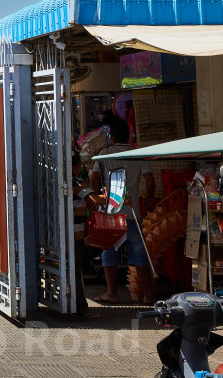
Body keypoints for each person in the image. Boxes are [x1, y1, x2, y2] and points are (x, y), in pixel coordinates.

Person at [90, 112, 156, 304]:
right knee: (139, 254)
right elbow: (149, 180)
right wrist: (149, 197)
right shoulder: (136, 154)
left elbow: (94, 181)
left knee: (108, 252)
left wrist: (96, 199)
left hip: (110, 214)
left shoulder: (103, 154)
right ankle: (148, 295)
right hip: (132, 213)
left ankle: (112, 293)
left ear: (112, 135)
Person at [71, 151, 101, 318]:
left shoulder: (60, 180)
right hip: (76, 235)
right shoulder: (77, 181)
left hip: (62, 234)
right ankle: (81, 308)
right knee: (75, 272)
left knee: (71, 270)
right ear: (78, 165)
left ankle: (71, 304)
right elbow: (95, 199)